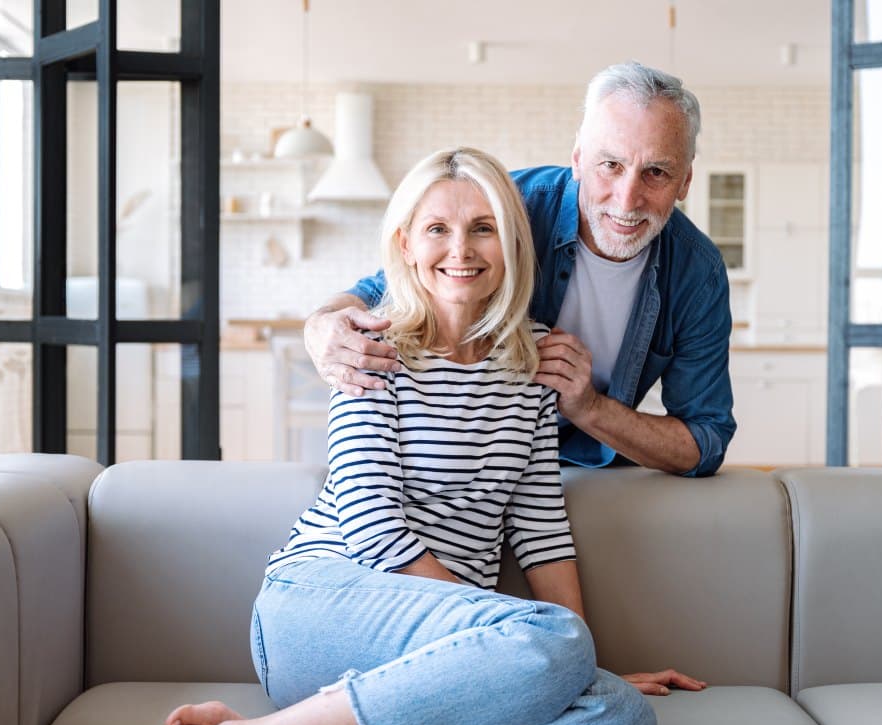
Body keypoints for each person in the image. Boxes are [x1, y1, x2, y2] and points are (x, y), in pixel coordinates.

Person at [106, 147, 704, 725]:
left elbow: (540, 530)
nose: (461, 249)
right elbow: (372, 526)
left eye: (483, 228)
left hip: (439, 654)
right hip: (321, 606)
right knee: (559, 643)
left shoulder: (535, 366)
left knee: (619, 723)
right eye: (437, 228)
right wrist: (518, 637)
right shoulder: (370, 350)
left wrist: (572, 664)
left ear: (512, 244)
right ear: (406, 245)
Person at [304, 61, 736, 477]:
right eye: (610, 165)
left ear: (685, 181)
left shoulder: (697, 273)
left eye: (656, 172)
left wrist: (589, 407)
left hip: (581, 473)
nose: (627, 199)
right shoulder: (508, 207)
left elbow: (705, 441)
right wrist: (320, 326)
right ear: (578, 157)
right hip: (476, 463)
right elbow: (389, 284)